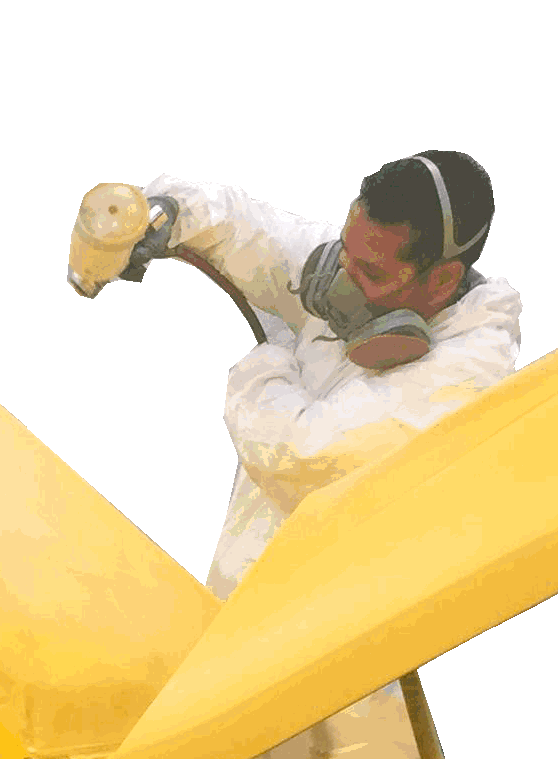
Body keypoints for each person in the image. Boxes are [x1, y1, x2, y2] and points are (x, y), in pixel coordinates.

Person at [131, 152, 518, 598]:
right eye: (344, 252)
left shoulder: (467, 376)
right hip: (234, 607)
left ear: (442, 281)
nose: (341, 280)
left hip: (333, 627)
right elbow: (249, 230)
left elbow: (301, 457)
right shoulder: (367, 259)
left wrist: (267, 360)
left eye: (369, 272)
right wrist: (162, 213)